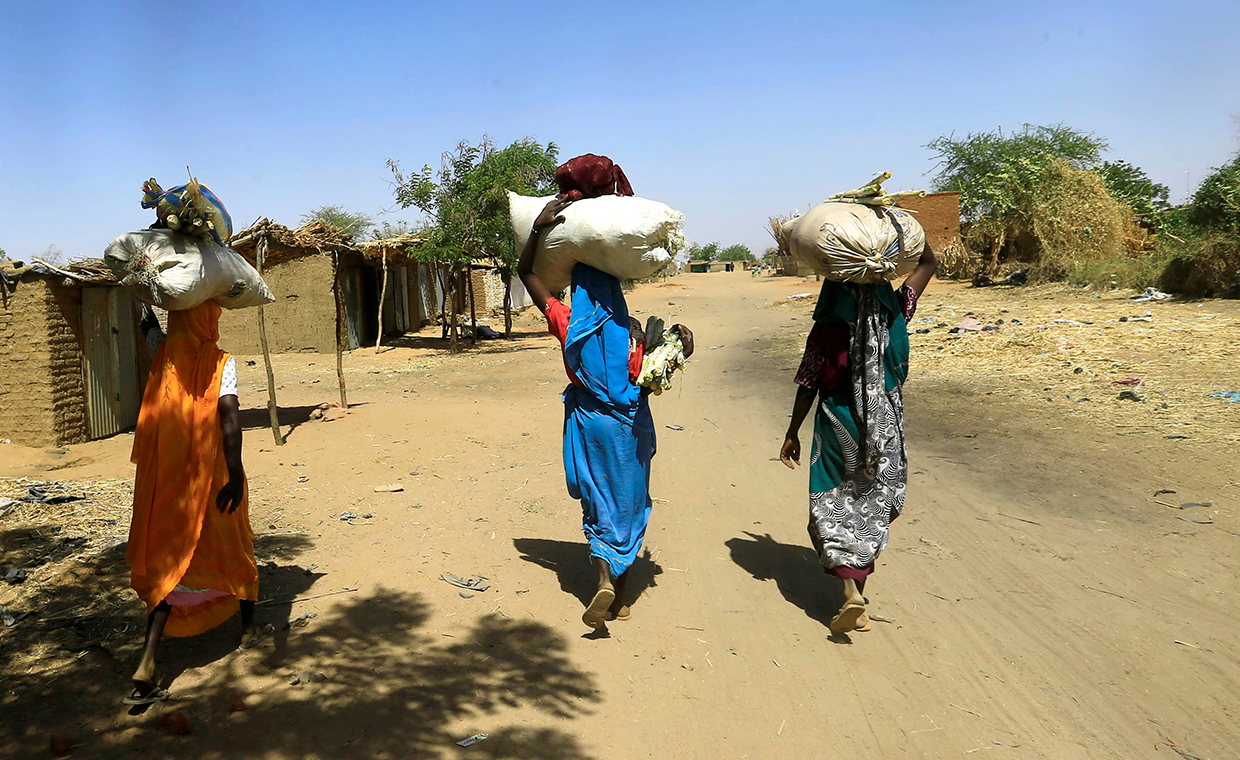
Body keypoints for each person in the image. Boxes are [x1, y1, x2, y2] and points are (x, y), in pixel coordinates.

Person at [518, 197, 693, 629]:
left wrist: (540, 228)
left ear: (579, 293)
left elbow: (526, 272)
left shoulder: (565, 320)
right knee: (630, 503)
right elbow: (651, 378)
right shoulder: (631, 334)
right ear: (615, 292)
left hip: (589, 425)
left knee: (598, 501)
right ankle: (623, 597)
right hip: (629, 428)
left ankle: (602, 581)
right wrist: (681, 348)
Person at [780, 244, 937, 634]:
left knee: (833, 502)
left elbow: (808, 383)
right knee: (869, 504)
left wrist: (792, 432)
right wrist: (896, 232)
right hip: (884, 424)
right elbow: (928, 263)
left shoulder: (827, 326)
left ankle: (851, 592)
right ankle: (859, 600)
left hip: (837, 423)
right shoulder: (895, 310)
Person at [124, 301, 258, 704]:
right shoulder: (222, 362)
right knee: (234, 544)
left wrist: (142, 297)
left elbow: (148, 327)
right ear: (209, 320)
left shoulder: (163, 353)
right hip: (212, 476)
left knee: (169, 559)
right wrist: (235, 476)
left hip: (166, 484)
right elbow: (230, 420)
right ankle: (250, 629)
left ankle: (148, 660)